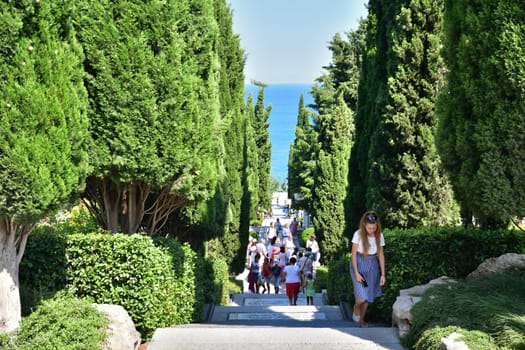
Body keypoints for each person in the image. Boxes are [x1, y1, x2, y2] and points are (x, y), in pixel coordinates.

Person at [349, 210, 386, 328]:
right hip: (359, 264)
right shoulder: (358, 234)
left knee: (367, 297)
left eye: (374, 228)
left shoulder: (379, 236)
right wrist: (356, 273)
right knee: (361, 297)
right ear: (364, 225)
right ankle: (356, 308)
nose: (371, 230)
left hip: (372, 267)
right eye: (369, 228)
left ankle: (362, 320)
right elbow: (353, 254)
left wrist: (383, 274)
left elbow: (380, 255)